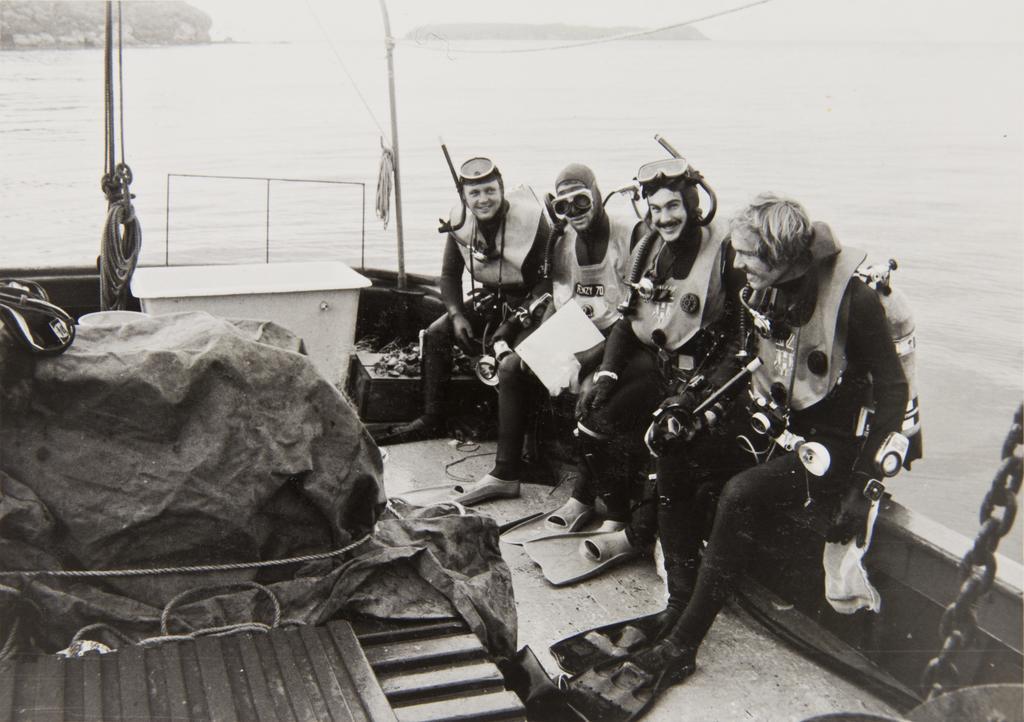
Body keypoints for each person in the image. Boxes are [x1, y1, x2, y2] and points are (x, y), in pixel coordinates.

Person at [575, 193, 910, 713]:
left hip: (833, 443)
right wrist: (685, 404)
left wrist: (863, 486)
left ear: (779, 257)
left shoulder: (854, 301)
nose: (738, 264)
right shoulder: (762, 290)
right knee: (673, 454)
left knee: (740, 493)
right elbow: (739, 355)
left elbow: (893, 392)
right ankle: (681, 605)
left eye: (749, 256)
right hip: (776, 422)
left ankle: (683, 646)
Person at [570, 157, 731, 560]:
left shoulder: (723, 252)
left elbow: (738, 339)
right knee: (590, 424)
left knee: (666, 440)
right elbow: (627, 321)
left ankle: (640, 536)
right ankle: (620, 517)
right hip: (660, 367)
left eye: (673, 207)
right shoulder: (650, 250)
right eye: (655, 209)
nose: (664, 219)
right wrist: (606, 373)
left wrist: (701, 394)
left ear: (693, 206)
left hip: (702, 381)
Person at [474, 163, 635, 505]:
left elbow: (634, 317)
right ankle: (506, 472)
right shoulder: (563, 241)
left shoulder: (627, 233)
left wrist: (584, 360)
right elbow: (559, 299)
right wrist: (536, 347)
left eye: (581, 201)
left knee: (591, 390)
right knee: (510, 367)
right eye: (563, 206)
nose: (573, 213)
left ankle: (597, 495)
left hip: (622, 334)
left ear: (597, 195)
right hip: (581, 326)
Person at [380, 157, 550, 448]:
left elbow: (550, 281)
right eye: (475, 193)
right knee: (437, 333)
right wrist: (457, 314)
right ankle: (432, 418)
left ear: (501, 190)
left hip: (531, 306)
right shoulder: (460, 221)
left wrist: (514, 321)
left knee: (519, 355)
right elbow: (449, 275)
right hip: (492, 300)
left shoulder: (532, 220)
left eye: (490, 191)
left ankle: (528, 441)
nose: (483, 199)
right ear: (464, 197)